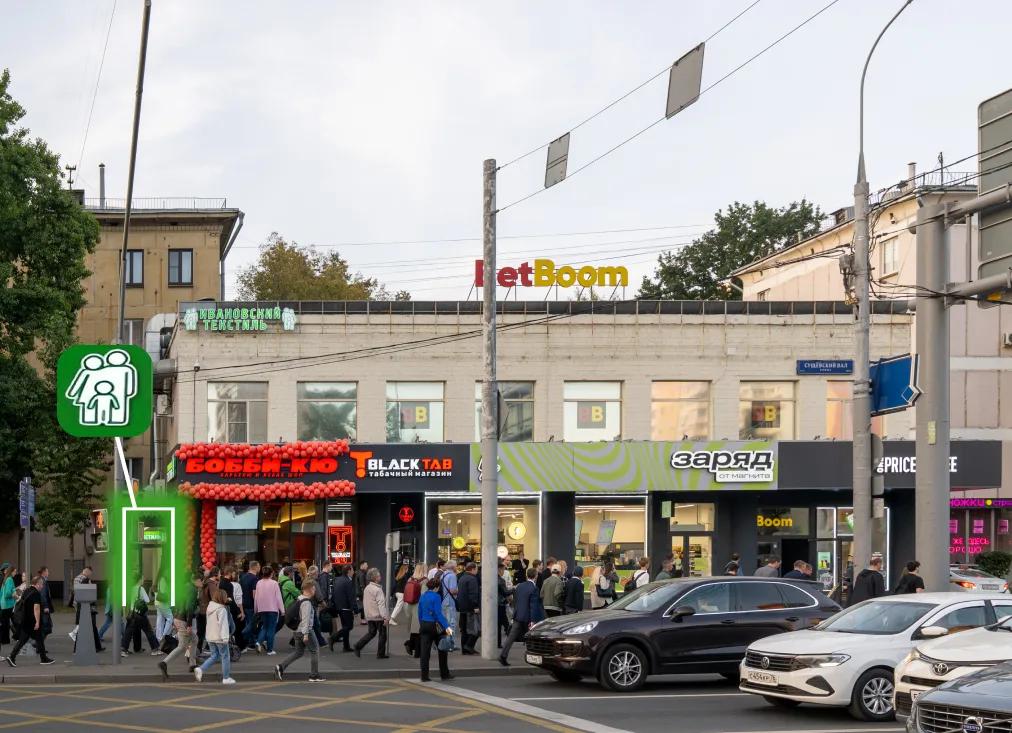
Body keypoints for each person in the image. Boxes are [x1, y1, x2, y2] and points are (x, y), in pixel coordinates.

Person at [275, 579, 325, 682]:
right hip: (306, 631)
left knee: (298, 652)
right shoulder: (307, 603)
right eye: (314, 589)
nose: (315, 591)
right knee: (315, 650)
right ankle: (314, 675)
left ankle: (280, 667)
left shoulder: (299, 599)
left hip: (296, 631)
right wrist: (306, 634)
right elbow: (305, 619)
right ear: (310, 589)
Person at [159, 572, 201, 681]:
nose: (202, 583)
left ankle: (192, 664)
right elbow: (189, 608)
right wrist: (189, 624)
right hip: (183, 620)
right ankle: (164, 663)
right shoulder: (193, 590)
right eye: (201, 581)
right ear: (196, 580)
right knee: (182, 646)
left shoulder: (184, 587)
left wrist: (174, 618)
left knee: (194, 639)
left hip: (178, 618)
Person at [499, 567, 543, 666]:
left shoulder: (519, 586)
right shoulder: (534, 588)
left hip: (518, 615)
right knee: (533, 638)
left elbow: (516, 601)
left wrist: (515, 613)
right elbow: (533, 606)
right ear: (536, 576)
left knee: (511, 637)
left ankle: (503, 655)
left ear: (527, 575)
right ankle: (535, 658)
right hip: (528, 617)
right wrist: (533, 620)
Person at [6, 575, 53, 666]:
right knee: (27, 640)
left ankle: (43, 658)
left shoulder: (27, 590)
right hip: (32, 621)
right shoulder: (36, 593)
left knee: (35, 639)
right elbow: (36, 608)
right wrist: (37, 622)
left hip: (25, 620)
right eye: (41, 584)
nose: (42, 586)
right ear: (37, 584)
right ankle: (12, 656)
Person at [194, 588, 235, 685]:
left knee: (214, 656)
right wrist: (225, 638)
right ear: (223, 598)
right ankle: (226, 678)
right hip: (220, 637)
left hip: (210, 637)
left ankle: (200, 669)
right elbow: (223, 625)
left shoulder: (210, 608)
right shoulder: (222, 610)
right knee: (225, 656)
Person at [417, 577, 454, 682]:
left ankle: (424, 676)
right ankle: (444, 674)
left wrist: (422, 624)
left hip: (424, 624)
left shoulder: (423, 596)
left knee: (425, 652)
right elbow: (438, 614)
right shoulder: (437, 596)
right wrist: (448, 628)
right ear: (437, 587)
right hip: (435, 626)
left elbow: (419, 612)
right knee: (442, 649)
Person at [354, 568, 389, 658]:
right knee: (383, 635)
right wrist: (385, 617)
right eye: (379, 575)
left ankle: (358, 646)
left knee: (371, 633)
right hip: (378, 616)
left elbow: (365, 602)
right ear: (375, 578)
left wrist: (366, 615)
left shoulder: (367, 588)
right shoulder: (378, 590)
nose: (380, 576)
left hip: (369, 615)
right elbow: (381, 604)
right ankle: (380, 654)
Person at [121, 574, 159, 657]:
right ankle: (155, 649)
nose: (143, 580)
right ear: (139, 580)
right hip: (139, 614)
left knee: (131, 631)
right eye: (142, 578)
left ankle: (128, 649)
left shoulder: (131, 588)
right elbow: (147, 600)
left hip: (131, 612)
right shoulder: (140, 588)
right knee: (148, 630)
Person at [253, 565, 284, 655]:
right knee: (271, 629)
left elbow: (256, 597)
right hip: (272, 609)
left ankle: (259, 642)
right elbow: (278, 598)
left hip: (262, 609)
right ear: (271, 573)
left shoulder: (259, 583)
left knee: (265, 627)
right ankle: (270, 650)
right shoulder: (274, 583)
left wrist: (256, 609)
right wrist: (282, 610)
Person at [329, 563, 356, 652]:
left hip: (339, 607)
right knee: (349, 626)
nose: (353, 572)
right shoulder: (348, 581)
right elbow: (351, 596)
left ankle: (346, 646)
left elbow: (334, 593)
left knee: (345, 626)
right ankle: (333, 638)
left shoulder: (338, 580)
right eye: (352, 570)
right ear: (349, 571)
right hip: (346, 607)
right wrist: (354, 609)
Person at [456, 562, 480, 654]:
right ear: (473, 569)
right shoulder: (472, 579)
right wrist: (475, 606)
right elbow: (473, 595)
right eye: (476, 569)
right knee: (475, 629)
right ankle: (469, 646)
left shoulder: (462, 577)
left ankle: (464, 649)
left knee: (464, 630)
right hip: (470, 608)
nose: (477, 571)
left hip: (462, 607)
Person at [404, 563, 427, 657]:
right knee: (418, 630)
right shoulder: (424, 580)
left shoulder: (410, 579)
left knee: (414, 630)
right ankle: (417, 651)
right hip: (418, 606)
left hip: (409, 606)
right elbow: (423, 596)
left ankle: (410, 645)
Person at [239, 561, 259, 649]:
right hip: (251, 603)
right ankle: (244, 638)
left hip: (243, 603)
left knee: (248, 622)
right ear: (255, 567)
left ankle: (251, 642)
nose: (259, 568)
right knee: (252, 623)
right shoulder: (255, 579)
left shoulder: (243, 577)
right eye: (258, 566)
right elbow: (255, 594)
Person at [439, 559, 459, 637]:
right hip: (450, 602)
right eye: (456, 566)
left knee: (445, 623)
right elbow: (452, 591)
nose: (457, 567)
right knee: (451, 623)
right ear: (453, 567)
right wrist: (459, 590)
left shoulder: (443, 575)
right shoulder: (452, 576)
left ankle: (445, 640)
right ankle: (450, 641)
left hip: (443, 601)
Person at [153, 568, 173, 643]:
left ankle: (158, 637)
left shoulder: (159, 579)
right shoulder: (163, 580)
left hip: (158, 602)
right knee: (170, 618)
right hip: (163, 603)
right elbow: (164, 592)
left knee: (160, 619)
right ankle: (164, 635)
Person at [497, 561, 514, 646]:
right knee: (505, 623)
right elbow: (505, 592)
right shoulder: (501, 580)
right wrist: (514, 589)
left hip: (495, 604)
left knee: (499, 624)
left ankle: (498, 642)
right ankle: (511, 638)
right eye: (503, 570)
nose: (504, 572)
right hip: (501, 604)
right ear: (499, 569)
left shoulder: (492, 579)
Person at [37, 566, 54, 650]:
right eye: (47, 571)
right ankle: (38, 645)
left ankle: (38, 645)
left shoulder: (42, 580)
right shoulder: (42, 581)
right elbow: (43, 595)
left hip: (42, 607)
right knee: (46, 627)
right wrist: (45, 606)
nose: (48, 573)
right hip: (43, 608)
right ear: (44, 572)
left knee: (45, 627)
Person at [390, 559, 412, 625]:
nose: (408, 569)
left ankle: (410, 618)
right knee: (399, 606)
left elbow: (394, 585)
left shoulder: (399, 576)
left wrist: (391, 594)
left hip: (398, 593)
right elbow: (406, 586)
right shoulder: (404, 577)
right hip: (401, 593)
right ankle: (391, 619)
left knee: (406, 606)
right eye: (407, 568)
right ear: (405, 569)